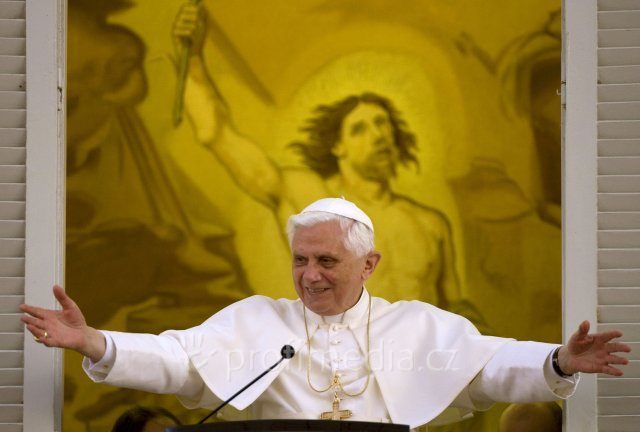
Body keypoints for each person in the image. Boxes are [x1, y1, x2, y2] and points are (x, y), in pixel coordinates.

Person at [21, 198, 630, 429]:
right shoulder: (257, 320)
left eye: (327, 261)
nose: (310, 275)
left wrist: (556, 361)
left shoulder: (415, 325)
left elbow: (488, 367)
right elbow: (179, 359)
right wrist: (96, 342)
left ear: (369, 265)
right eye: (300, 259)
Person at [173, 3, 463, 311]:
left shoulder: (430, 225)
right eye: (360, 129)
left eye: (382, 124)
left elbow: (457, 311)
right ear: (338, 147)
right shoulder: (308, 199)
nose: (378, 135)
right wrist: (192, 61)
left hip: (412, 343)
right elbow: (217, 133)